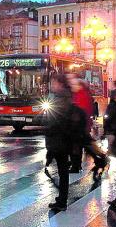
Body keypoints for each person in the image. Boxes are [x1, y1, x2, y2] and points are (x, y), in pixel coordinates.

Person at [45, 74, 74, 211]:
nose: (52, 85)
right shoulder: (63, 97)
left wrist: (51, 146)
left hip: (60, 141)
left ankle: (62, 201)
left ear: (60, 84)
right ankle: (61, 199)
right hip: (61, 140)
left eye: (53, 83)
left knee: (63, 172)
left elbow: (56, 123)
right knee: (62, 171)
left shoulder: (61, 99)